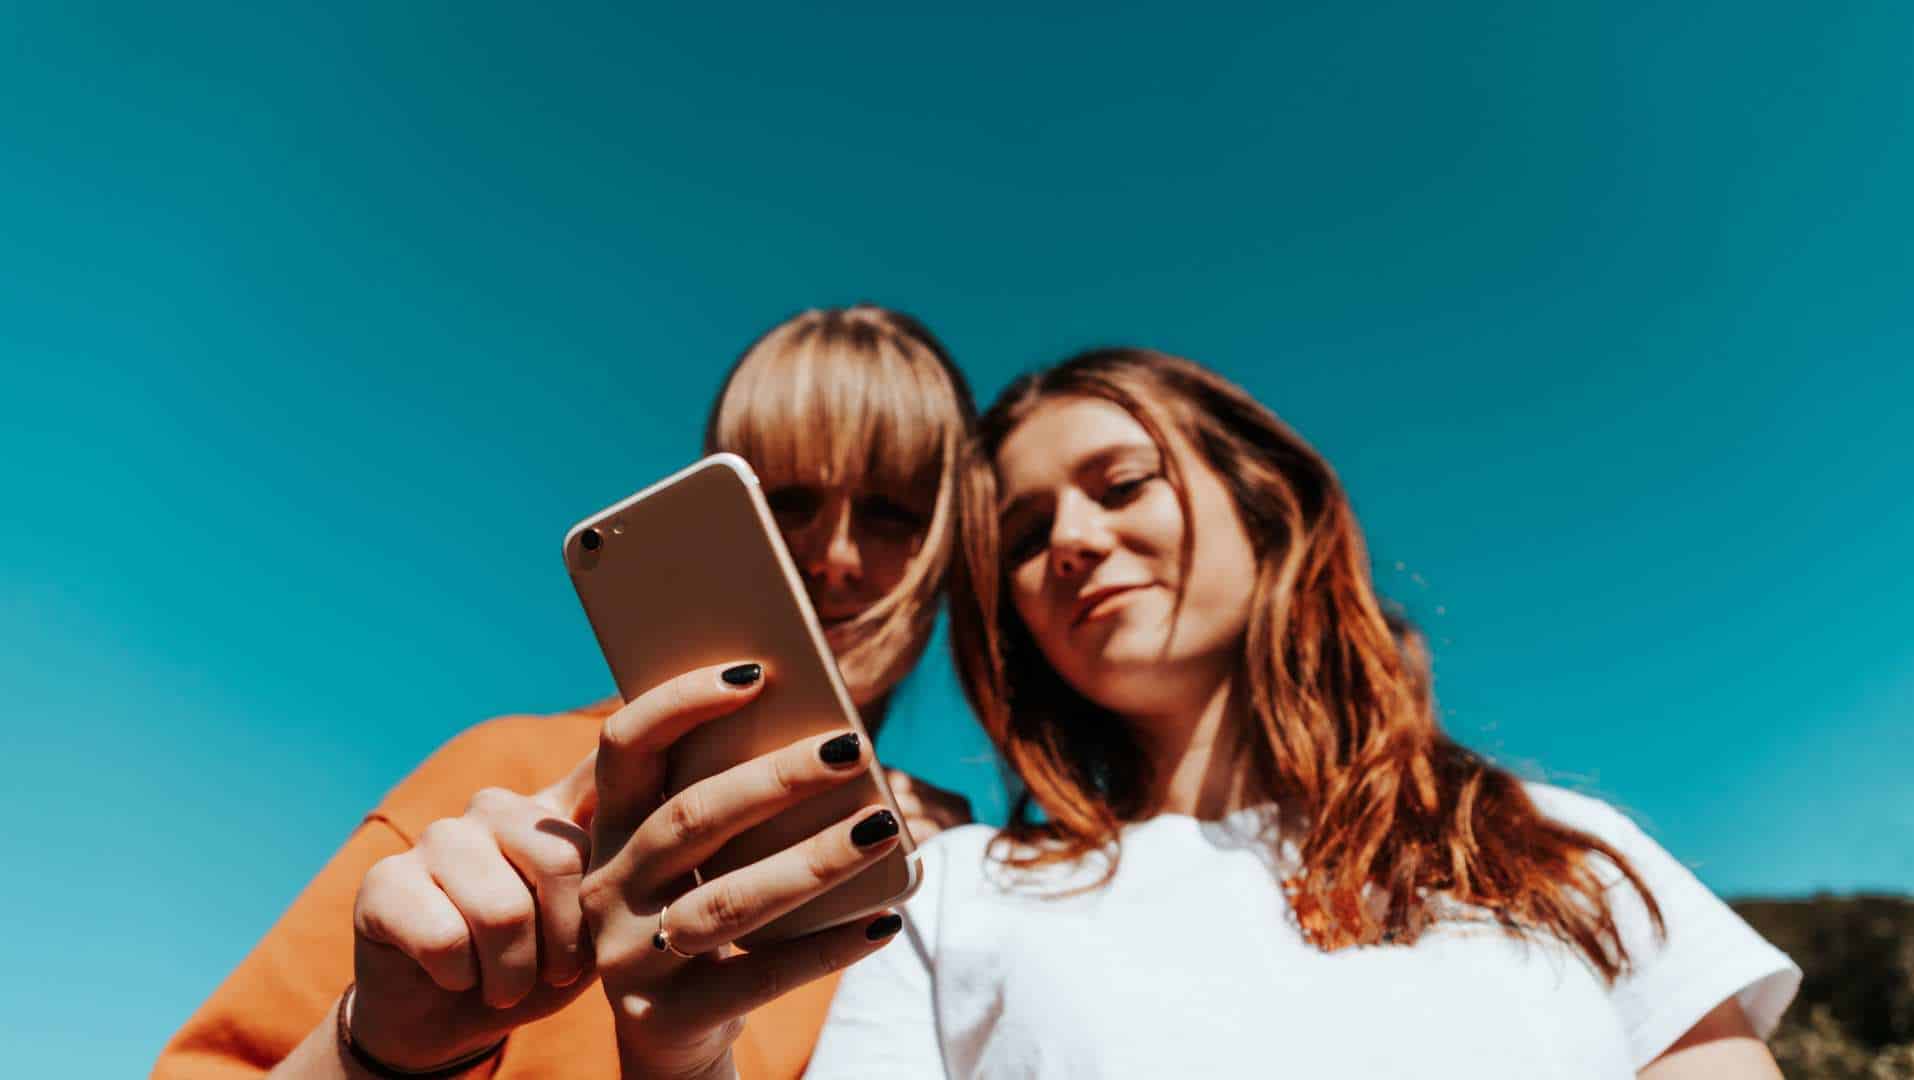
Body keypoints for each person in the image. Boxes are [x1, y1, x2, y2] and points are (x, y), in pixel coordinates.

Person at [809, 347, 1801, 1078]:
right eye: (1024, 536)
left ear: (1264, 502)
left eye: (1121, 484)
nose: (1072, 538)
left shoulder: (1559, 847)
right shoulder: (947, 897)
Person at [154, 305, 977, 1080]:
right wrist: (383, 1052)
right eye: (789, 501)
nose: (836, 553)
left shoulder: (958, 860)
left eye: (892, 512)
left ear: (949, 549)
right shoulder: (511, 772)